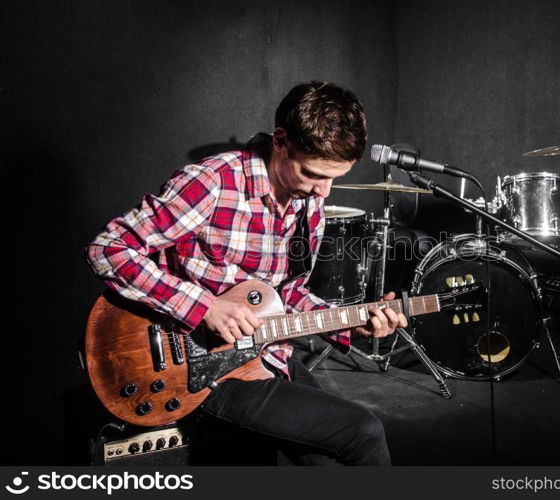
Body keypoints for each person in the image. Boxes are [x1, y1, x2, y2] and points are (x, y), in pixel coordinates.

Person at [86, 80, 407, 465]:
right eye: (313, 174)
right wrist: (204, 306)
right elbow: (109, 249)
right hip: (202, 367)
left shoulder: (309, 204)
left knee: (328, 461)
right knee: (364, 431)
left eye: (333, 177)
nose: (324, 191)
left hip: (268, 356)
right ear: (281, 141)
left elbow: (287, 295)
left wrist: (351, 323)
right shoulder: (213, 183)